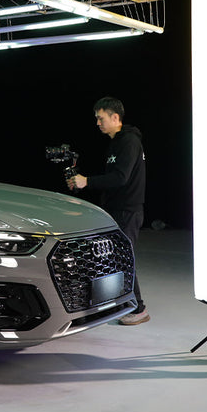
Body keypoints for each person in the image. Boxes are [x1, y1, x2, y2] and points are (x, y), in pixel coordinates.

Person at [67, 96, 149, 325]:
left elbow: (121, 178)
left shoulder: (129, 141)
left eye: (100, 118)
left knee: (122, 259)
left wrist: (87, 181)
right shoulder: (116, 143)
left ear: (115, 117)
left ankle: (139, 310)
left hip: (127, 211)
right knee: (108, 259)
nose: (97, 123)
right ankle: (113, 305)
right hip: (115, 209)